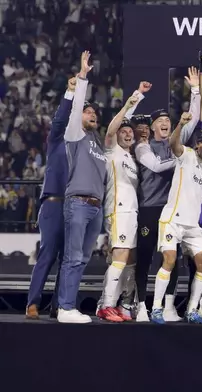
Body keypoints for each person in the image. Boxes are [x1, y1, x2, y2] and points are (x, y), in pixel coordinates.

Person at [134, 67, 200, 322]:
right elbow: (158, 167)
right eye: (159, 122)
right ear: (151, 127)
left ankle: (169, 305)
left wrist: (195, 90)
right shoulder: (143, 147)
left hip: (171, 209)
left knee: (172, 258)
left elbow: (191, 120)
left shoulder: (175, 141)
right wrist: (183, 158)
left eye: (167, 122)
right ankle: (141, 305)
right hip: (150, 208)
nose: (165, 124)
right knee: (146, 256)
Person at [150, 114, 202, 324]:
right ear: (197, 144)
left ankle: (191, 310)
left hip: (192, 224)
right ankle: (156, 308)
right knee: (169, 260)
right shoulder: (186, 155)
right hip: (172, 219)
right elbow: (173, 142)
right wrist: (180, 123)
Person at [58, 51, 107, 323]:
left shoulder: (98, 144)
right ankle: (66, 307)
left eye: (94, 112)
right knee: (73, 257)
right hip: (77, 203)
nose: (92, 114)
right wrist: (83, 76)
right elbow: (76, 110)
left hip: (95, 209)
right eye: (88, 111)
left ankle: (67, 305)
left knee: (83, 259)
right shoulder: (74, 135)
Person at [26, 76, 75, 319]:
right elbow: (59, 120)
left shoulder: (81, 147)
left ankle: (58, 305)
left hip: (74, 207)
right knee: (47, 255)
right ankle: (32, 303)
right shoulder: (57, 140)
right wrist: (70, 93)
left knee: (67, 260)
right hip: (54, 203)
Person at [96, 93, 141, 322]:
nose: (127, 133)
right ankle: (105, 305)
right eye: (124, 131)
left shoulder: (132, 158)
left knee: (130, 259)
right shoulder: (112, 151)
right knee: (120, 258)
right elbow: (113, 129)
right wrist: (136, 97)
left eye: (130, 131)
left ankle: (123, 304)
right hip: (118, 209)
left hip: (132, 213)